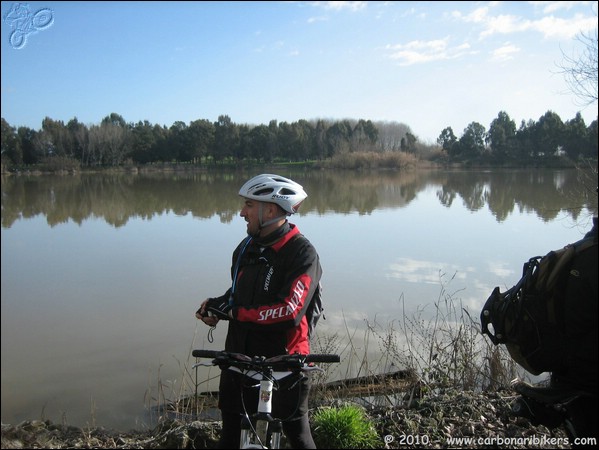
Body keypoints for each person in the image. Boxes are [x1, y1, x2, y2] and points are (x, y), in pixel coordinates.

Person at [195, 174, 322, 449]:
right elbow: (237, 295)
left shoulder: (303, 253)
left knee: (299, 437)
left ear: (271, 210)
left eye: (249, 205)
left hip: (285, 367)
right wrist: (218, 306)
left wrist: (237, 313)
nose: (241, 213)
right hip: (239, 362)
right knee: (230, 438)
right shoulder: (245, 247)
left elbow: (290, 311)